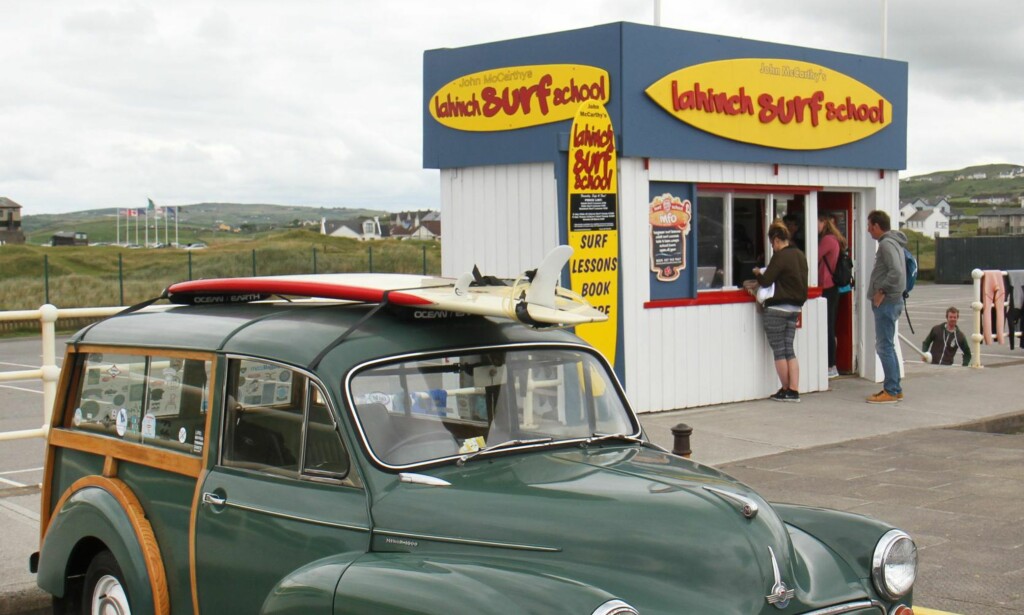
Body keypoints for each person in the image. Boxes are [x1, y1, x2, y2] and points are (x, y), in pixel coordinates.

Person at [755, 222, 808, 402]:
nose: (773, 247)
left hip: (777, 309)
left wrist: (757, 273)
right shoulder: (800, 254)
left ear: (777, 240)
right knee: (789, 349)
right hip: (795, 309)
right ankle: (794, 389)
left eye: (772, 244)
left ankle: (786, 389)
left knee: (779, 350)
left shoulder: (780, 256)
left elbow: (766, 281)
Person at [866, 210, 907, 404]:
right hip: (894, 300)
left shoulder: (886, 244)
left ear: (876, 225)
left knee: (884, 346)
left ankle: (890, 390)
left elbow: (896, 272)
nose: (868, 230)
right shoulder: (894, 242)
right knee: (888, 345)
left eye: (869, 226)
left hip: (887, 302)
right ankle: (895, 388)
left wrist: (881, 290)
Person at [817, 213, 847, 379]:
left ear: (823, 222)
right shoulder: (835, 239)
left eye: (816, 222)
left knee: (827, 326)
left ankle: (831, 365)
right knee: (829, 325)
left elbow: (813, 256)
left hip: (827, 287)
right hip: (832, 288)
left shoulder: (827, 240)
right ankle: (830, 363)